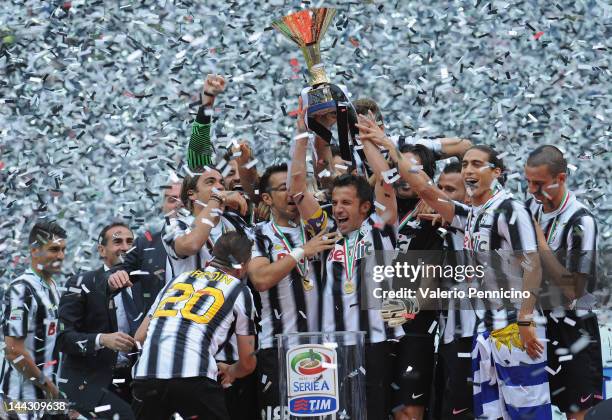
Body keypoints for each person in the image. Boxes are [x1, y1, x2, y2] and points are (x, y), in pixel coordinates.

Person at [358, 117, 549, 420]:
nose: (469, 170)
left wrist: (525, 321)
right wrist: (390, 150)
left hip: (514, 327)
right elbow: (424, 188)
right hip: (485, 332)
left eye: (477, 164)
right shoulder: (470, 215)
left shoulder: (509, 209)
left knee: (526, 414)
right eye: (465, 165)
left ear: (496, 173)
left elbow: (533, 264)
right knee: (491, 414)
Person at [289, 98, 404, 419]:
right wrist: (301, 135)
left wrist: (366, 140)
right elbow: (297, 189)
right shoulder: (325, 231)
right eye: (335, 202)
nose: (337, 208)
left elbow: (385, 182)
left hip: (375, 344)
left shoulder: (381, 228)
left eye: (346, 203)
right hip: (329, 347)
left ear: (364, 207)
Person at [130, 231, 257, 420]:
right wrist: (231, 370)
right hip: (193, 378)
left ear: (213, 255)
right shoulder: (240, 290)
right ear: (242, 267)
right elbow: (248, 363)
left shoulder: (177, 280)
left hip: (146, 377)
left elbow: (139, 337)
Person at [248, 163, 337, 420]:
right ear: (266, 198)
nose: (291, 194)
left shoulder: (318, 228)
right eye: (283, 188)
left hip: (324, 349)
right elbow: (261, 279)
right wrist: (302, 251)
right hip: (277, 348)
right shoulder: (257, 235)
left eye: (295, 188)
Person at [525, 145, 602, 420]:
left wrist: (542, 246)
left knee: (579, 414)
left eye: (540, 184)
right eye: (529, 182)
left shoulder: (581, 221)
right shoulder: (529, 208)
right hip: (535, 327)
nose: (533, 190)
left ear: (561, 178)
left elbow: (576, 291)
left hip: (573, 331)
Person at [57, 222, 137, 419]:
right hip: (89, 383)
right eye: (117, 241)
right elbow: (63, 338)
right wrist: (102, 340)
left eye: (130, 242)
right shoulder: (80, 283)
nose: (125, 247)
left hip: (133, 382)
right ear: (102, 250)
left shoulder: (143, 285)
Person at [1, 221, 66, 416]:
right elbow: (13, 351)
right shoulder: (22, 289)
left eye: (63, 249)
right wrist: (48, 386)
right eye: (54, 249)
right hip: (20, 399)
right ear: (35, 251)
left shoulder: (53, 286)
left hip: (45, 398)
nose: (61, 256)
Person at [106, 181, 182, 318]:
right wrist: (114, 278)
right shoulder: (145, 244)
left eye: (184, 199)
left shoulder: (209, 239)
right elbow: (118, 271)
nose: (179, 204)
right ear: (163, 207)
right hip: (157, 328)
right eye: (172, 199)